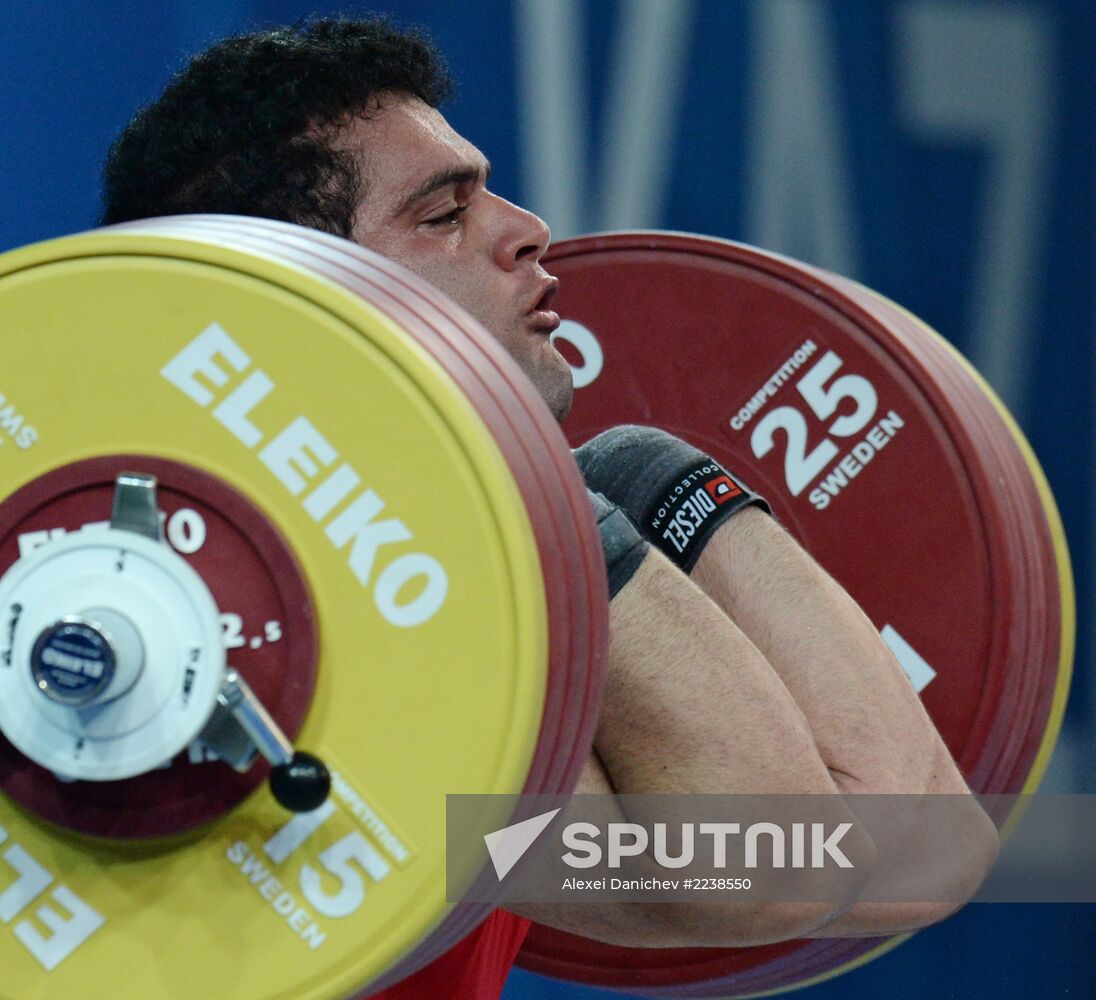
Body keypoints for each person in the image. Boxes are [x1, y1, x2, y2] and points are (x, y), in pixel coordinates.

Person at [99, 16, 998, 999]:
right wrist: (553, 500)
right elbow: (780, 868)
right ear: (304, 297)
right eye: (443, 216)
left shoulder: (474, 634)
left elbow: (927, 851)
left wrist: (648, 482)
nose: (524, 228)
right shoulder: (266, 645)